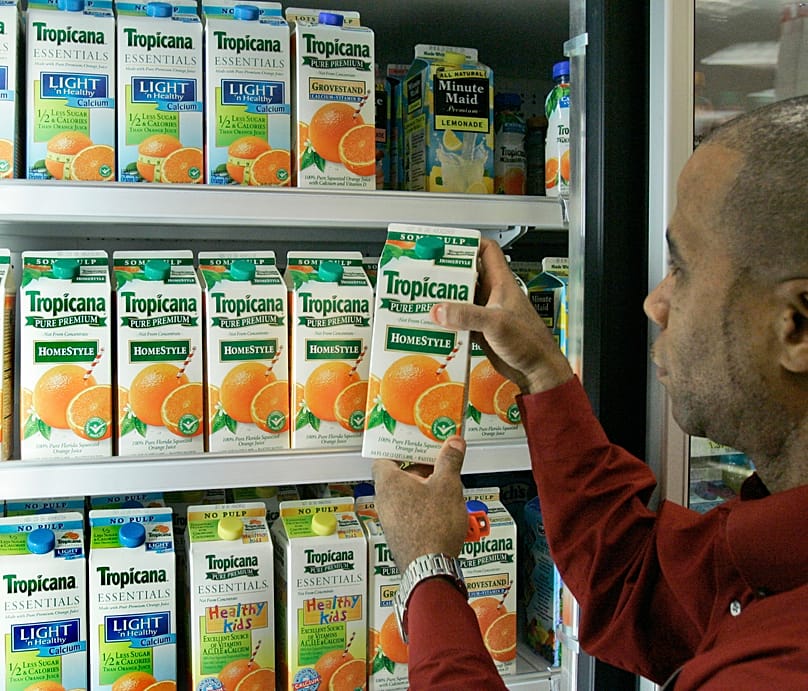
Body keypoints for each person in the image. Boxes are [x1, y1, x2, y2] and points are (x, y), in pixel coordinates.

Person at [372, 94, 808, 690]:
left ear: (797, 326)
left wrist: (427, 568)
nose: (654, 303)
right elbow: (635, 582)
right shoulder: (777, 546)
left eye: (682, 269)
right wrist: (543, 375)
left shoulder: (779, 668)